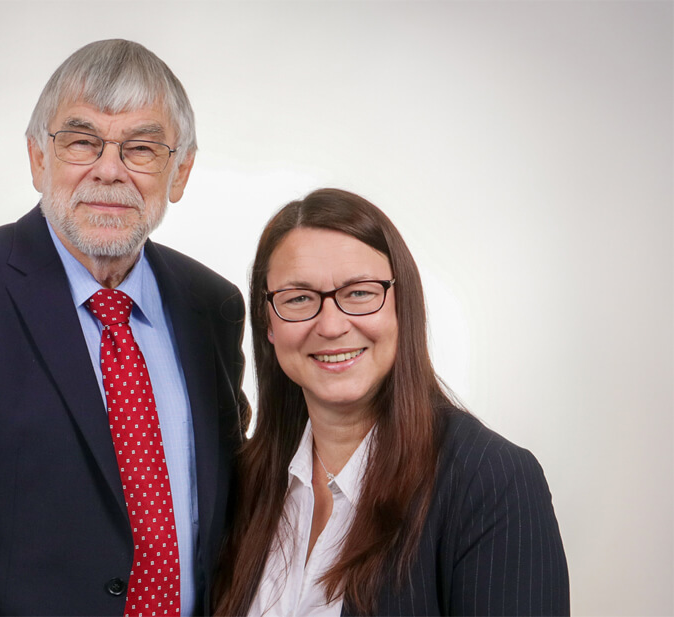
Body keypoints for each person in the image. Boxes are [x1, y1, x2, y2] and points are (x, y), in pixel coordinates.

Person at [0, 39, 247, 616]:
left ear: (179, 172)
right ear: (37, 158)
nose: (109, 170)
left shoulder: (212, 304)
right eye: (82, 141)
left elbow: (227, 512)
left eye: (142, 147)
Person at [213, 189, 569, 616]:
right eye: (299, 298)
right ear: (268, 323)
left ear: (403, 306)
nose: (331, 325)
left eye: (360, 293)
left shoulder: (491, 481)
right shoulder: (247, 480)